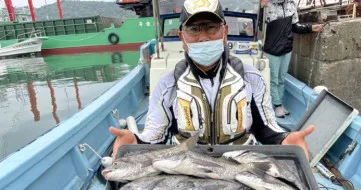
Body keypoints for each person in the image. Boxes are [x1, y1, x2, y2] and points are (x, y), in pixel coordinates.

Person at [110, 0, 314, 160]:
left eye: (211, 28)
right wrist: (135, 141)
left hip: (240, 167)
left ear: (225, 32)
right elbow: (155, 136)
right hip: (188, 169)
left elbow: (267, 127)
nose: (203, 38)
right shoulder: (167, 85)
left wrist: (285, 139)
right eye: (194, 29)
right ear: (182, 37)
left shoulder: (252, 78)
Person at [259, 0, 323, 117]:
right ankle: (277, 105)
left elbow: (295, 26)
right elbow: (258, 26)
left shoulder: (291, 4)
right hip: (271, 49)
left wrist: (311, 28)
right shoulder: (266, 4)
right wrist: (261, 8)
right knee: (273, 79)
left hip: (287, 48)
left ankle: (279, 103)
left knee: (282, 79)